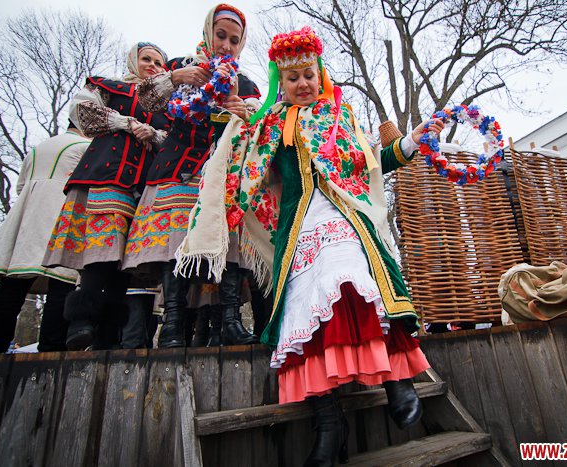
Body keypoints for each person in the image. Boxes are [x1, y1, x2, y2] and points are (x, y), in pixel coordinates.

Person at [176, 27, 440, 465]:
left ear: (320, 75)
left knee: (355, 281)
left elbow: (372, 162)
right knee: (304, 313)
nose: (302, 83)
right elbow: (250, 170)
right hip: (298, 227)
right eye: (292, 77)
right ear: (281, 82)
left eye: (308, 75)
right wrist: (239, 122)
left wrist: (411, 141)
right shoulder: (271, 123)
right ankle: (328, 424)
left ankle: (398, 381)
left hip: (347, 217)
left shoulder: (342, 115)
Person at [123, 3, 261, 348]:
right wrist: (175, 78)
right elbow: (145, 102)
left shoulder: (245, 83)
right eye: (220, 35)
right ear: (207, 32)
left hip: (224, 173)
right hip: (177, 168)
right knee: (175, 245)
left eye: (234, 40)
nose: (226, 45)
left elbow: (261, 125)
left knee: (228, 245)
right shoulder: (180, 67)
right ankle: (172, 325)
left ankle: (230, 321)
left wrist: (245, 113)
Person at [43, 42, 171, 350]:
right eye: (146, 59)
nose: (152, 66)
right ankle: (81, 321)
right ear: (133, 61)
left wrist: (153, 135)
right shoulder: (111, 87)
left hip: (143, 184)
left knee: (125, 261)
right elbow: (82, 112)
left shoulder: (166, 106)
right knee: (101, 252)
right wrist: (126, 123)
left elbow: (174, 138)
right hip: (106, 173)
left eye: (158, 63)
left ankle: (108, 335)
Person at [0, 122, 91, 353]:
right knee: (62, 278)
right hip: (64, 214)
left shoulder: (39, 148)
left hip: (26, 219)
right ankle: (53, 347)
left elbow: (20, 187)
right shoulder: (87, 147)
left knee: (13, 281)